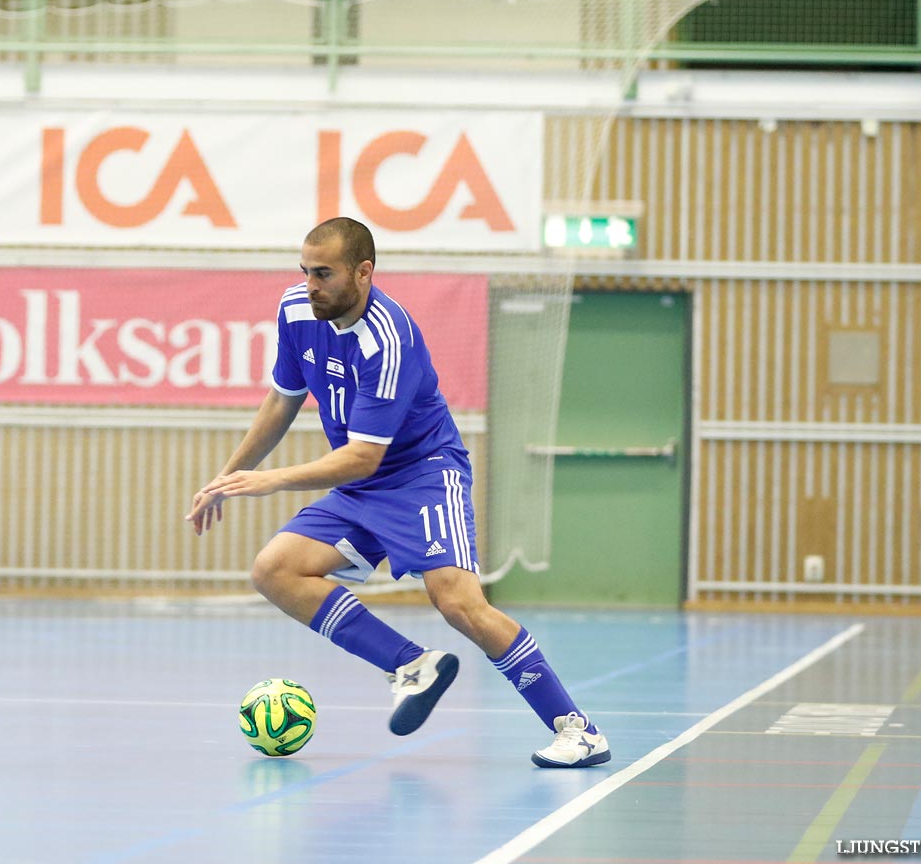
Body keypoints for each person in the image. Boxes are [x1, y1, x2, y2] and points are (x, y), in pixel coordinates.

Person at [186, 218, 610, 768]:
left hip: (423, 475)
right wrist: (228, 477)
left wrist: (270, 480)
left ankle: (576, 730)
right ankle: (410, 666)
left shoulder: (389, 339)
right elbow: (282, 399)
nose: (310, 284)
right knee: (275, 570)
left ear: (363, 273)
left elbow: (366, 454)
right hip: (360, 484)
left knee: (458, 603)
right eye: (304, 271)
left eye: (323, 273)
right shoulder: (296, 310)